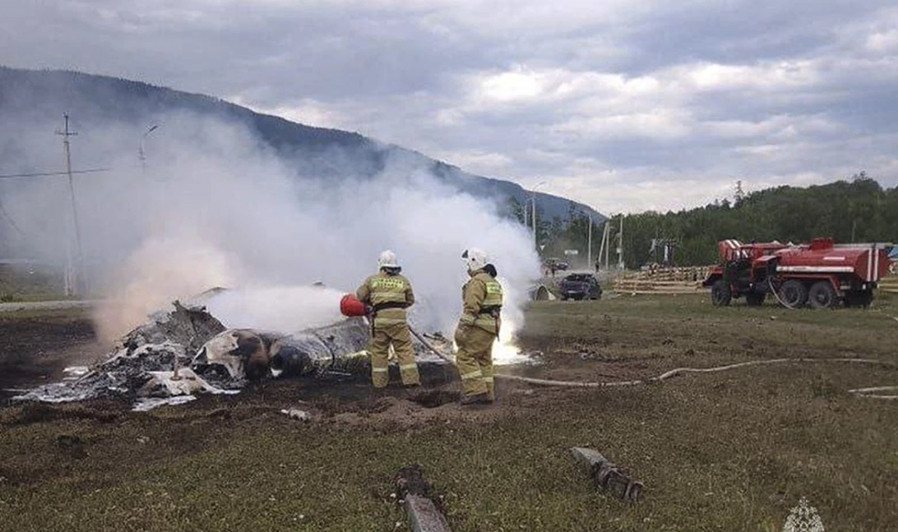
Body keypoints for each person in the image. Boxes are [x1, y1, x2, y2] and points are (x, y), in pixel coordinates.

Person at [356, 250, 420, 389]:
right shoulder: (403, 280)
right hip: (399, 321)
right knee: (404, 350)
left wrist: (373, 301)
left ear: (381, 265)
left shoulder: (372, 280)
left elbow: (360, 296)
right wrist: (397, 309)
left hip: (380, 320)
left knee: (379, 351)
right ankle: (411, 382)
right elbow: (411, 300)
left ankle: (380, 385)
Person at [455, 247, 503, 405]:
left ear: (474, 262)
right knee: (484, 360)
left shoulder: (477, 281)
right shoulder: (492, 281)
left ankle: (476, 392)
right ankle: (488, 393)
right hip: (492, 326)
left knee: (465, 356)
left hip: (481, 326)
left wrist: (462, 330)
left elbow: (471, 308)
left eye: (468, 264)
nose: (467, 268)